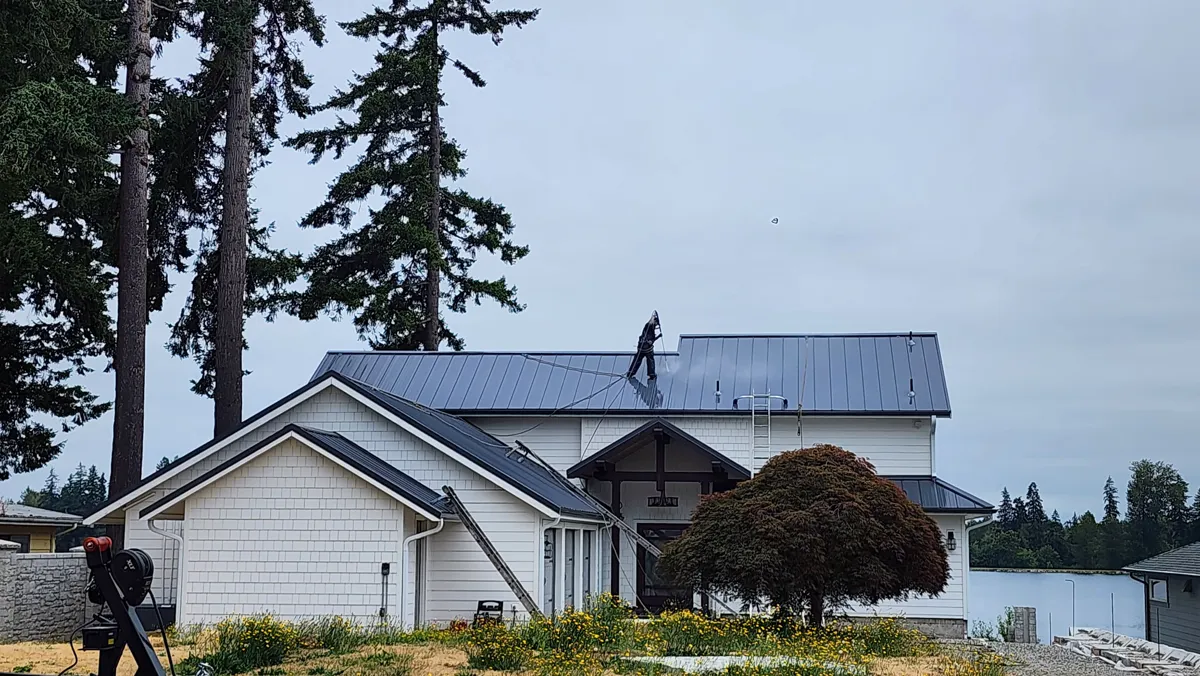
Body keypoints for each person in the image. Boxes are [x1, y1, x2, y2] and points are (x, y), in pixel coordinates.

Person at [626, 311, 662, 379]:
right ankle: (650, 374)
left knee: (639, 359)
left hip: (643, 347)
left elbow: (652, 340)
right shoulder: (649, 326)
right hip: (645, 347)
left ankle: (631, 372)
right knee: (648, 359)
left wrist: (658, 336)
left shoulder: (651, 327)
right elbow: (649, 339)